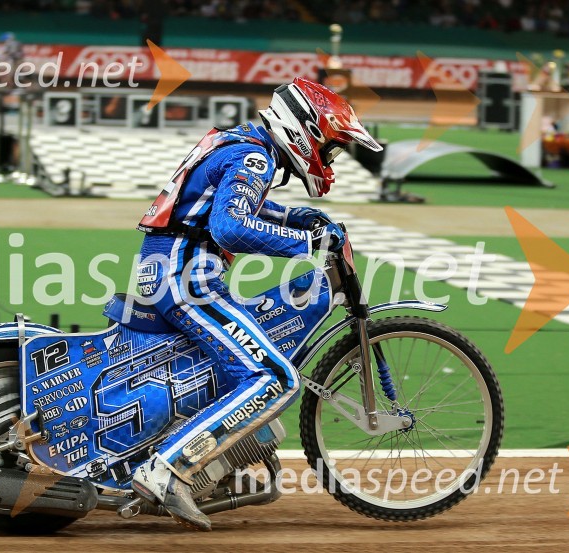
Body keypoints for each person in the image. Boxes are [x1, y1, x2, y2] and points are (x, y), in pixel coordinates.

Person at [132, 77, 382, 531]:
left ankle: (217, 463)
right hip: (185, 277)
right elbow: (231, 227)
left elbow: (234, 208)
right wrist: (307, 240)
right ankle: (165, 469)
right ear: (304, 130)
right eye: (329, 148)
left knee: (244, 361)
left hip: (172, 269)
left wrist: (300, 218)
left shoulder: (243, 145)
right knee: (273, 376)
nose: (328, 161)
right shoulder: (254, 156)